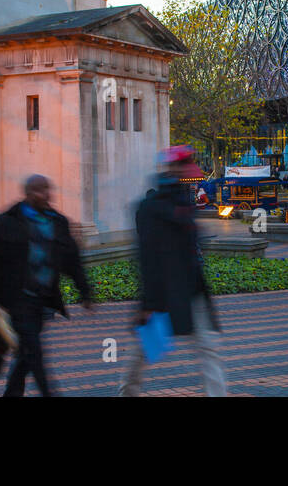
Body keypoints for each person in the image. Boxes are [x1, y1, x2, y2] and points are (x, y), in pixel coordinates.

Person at [120, 146, 226, 396]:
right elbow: (146, 257)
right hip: (163, 293)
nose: (186, 175)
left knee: (208, 349)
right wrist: (148, 302)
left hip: (191, 290)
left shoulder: (183, 201)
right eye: (182, 168)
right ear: (171, 168)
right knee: (141, 353)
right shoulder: (150, 207)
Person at [0, 174, 94, 396]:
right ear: (27, 193)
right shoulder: (7, 221)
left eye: (46, 189)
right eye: (37, 190)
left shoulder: (57, 222)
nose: (44, 194)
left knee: (26, 353)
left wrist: (85, 292)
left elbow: (72, 259)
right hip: (17, 300)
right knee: (34, 352)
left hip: (43, 299)